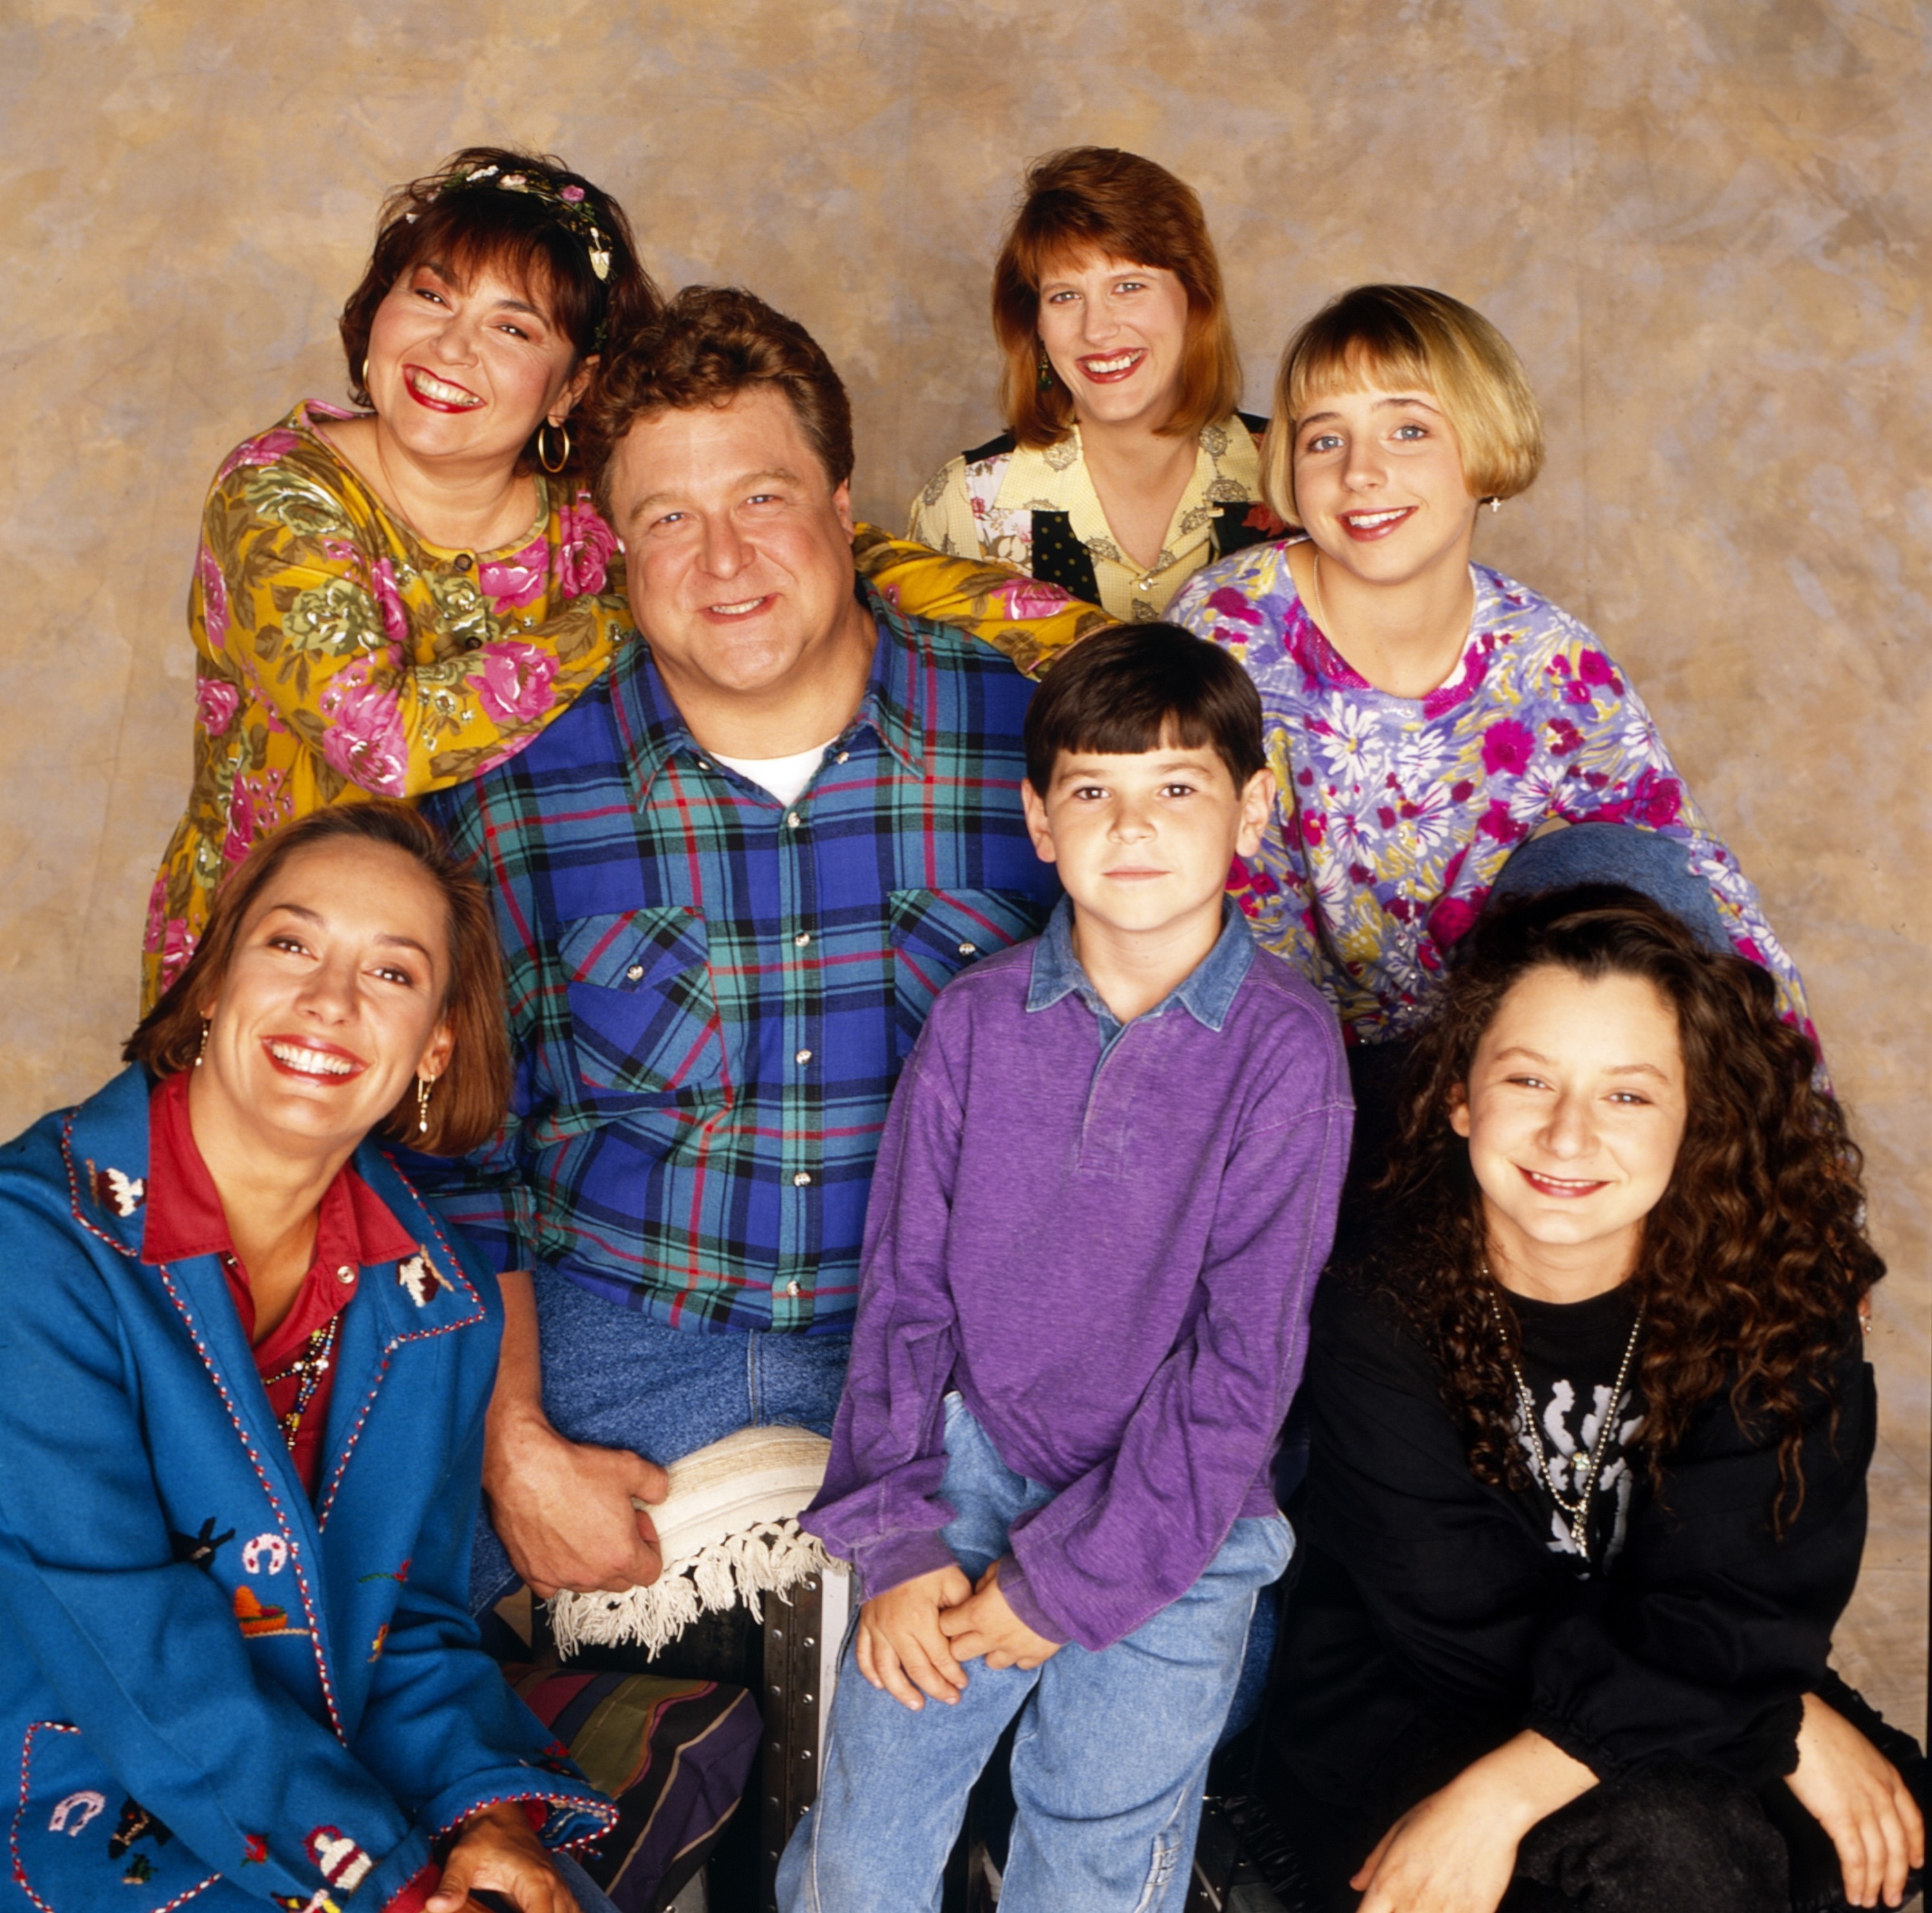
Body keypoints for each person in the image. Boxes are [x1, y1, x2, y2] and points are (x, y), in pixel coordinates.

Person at [406, 287, 1063, 1612]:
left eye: (762, 499)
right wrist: (510, 1443)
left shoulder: (1035, 747)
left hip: (951, 1355)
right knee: (370, 1634)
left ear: (842, 503)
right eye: (668, 518)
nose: (723, 561)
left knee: (1148, 1606)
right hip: (610, 1344)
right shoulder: (511, 796)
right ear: (613, 547)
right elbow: (451, 1163)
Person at [779, 626, 1352, 1913]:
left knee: (1095, 1869)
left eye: (1178, 787)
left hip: (1183, 1516)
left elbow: (1244, 1363)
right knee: (861, 1846)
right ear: (1041, 820)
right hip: (970, 1469)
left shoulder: (1287, 1050)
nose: (1133, 826)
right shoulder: (977, 1020)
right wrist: (899, 1538)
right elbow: (903, 1296)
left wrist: (1066, 1585)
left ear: (1252, 809)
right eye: (1093, 789)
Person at [0, 801, 624, 1913]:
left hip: (322, 1779)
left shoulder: (442, 1299)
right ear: (210, 984)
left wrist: (485, 1820)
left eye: (391, 972)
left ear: (435, 1045)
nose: (330, 1001)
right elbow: (125, 1640)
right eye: (291, 944)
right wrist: (392, 1881)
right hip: (59, 1795)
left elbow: (411, 1619)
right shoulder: (34, 1244)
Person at [1267, 887, 1926, 1913]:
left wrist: (1764, 1693)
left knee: (1875, 1837)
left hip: (1679, 1677)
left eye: (1627, 1095)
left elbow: (1752, 1586)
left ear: (1697, 1117)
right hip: (1415, 1695)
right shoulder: (1373, 1296)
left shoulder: (1780, 1293)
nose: (1568, 1135)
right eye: (1529, 1079)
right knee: (1677, 1845)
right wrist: (1768, 1711)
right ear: (1460, 1096)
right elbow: (1459, 1613)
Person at [141, 146, 660, 1013]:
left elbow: (777, 543)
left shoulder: (588, 512)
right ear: (380, 303)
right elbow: (381, 740)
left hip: (498, 976)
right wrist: (626, 614)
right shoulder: (279, 490)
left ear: (572, 387)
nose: (451, 346)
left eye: (512, 328)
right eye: (432, 295)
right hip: (276, 969)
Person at [904, 146, 1281, 628]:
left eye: (1129, 286)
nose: (1097, 330)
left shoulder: (1294, 472)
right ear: (1036, 326)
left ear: (1194, 299)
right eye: (1065, 296)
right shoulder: (962, 506)